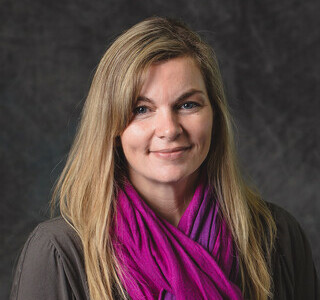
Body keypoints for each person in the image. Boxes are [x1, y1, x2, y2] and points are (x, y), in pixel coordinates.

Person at [10, 17, 319, 300]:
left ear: (215, 115)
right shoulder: (61, 252)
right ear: (112, 126)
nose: (169, 129)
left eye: (188, 104)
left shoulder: (276, 237)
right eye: (141, 109)